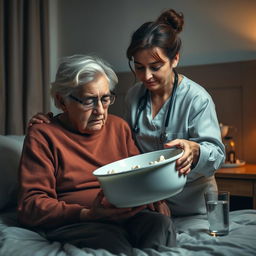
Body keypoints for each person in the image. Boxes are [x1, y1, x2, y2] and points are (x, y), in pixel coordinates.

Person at [29, 9, 225, 216]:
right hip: (147, 201)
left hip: (190, 203)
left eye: (155, 67)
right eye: (139, 67)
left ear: (174, 59)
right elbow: (122, 148)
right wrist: (55, 121)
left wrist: (195, 151)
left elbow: (217, 155)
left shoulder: (196, 99)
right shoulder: (133, 96)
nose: (146, 76)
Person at [17, 55, 176, 255]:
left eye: (105, 98)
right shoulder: (43, 135)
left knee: (160, 225)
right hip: (78, 222)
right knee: (113, 243)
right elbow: (31, 205)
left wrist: (155, 199)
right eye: (88, 101)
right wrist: (87, 214)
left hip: (127, 214)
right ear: (61, 101)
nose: (100, 110)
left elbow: (140, 178)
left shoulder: (119, 127)